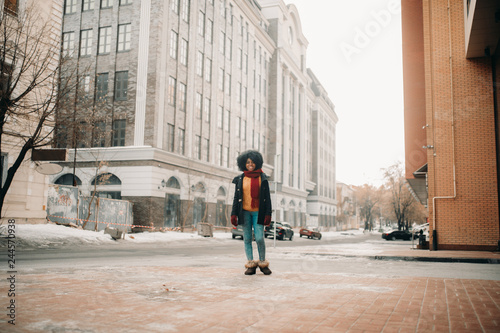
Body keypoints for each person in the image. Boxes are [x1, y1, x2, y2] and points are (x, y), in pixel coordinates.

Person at [231, 150, 272, 275]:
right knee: (247, 238)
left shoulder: (262, 178)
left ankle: (263, 262)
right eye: (248, 162)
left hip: (258, 212)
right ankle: (250, 264)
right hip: (244, 212)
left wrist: (268, 214)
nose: (250, 164)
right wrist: (234, 214)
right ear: (244, 163)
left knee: (259, 238)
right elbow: (235, 198)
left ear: (257, 163)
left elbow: (268, 198)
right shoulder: (240, 179)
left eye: (253, 162)